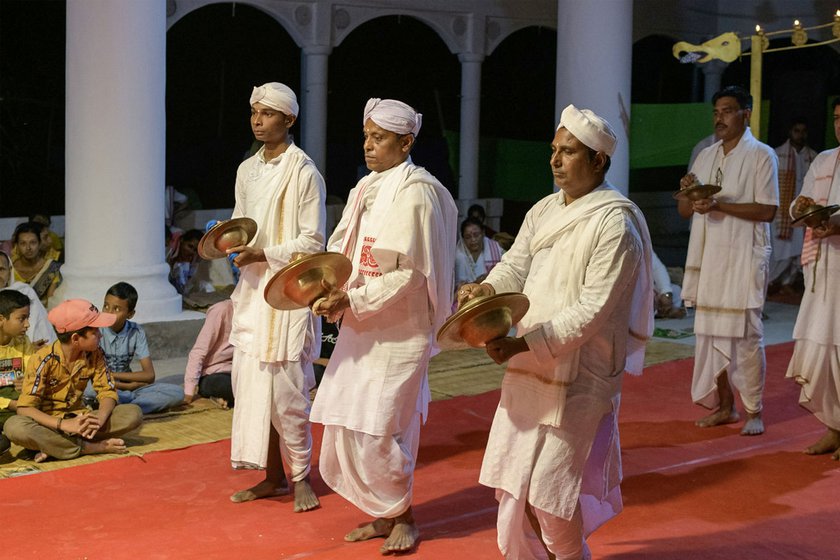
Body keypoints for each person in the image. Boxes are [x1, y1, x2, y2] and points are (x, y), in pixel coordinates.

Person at [458, 104, 653, 560]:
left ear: (598, 161)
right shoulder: (544, 209)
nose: (555, 160)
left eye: (568, 152)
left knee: (551, 494)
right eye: (553, 150)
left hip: (584, 374)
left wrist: (522, 344)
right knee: (517, 486)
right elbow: (515, 264)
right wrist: (485, 288)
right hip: (529, 367)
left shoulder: (615, 224)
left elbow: (592, 311)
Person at [310, 98, 458, 554]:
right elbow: (345, 250)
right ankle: (383, 512)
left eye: (378, 138)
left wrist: (351, 298)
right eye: (366, 137)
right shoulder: (366, 188)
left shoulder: (418, 192)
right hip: (361, 325)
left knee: (381, 428)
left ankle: (404, 518)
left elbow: (411, 273)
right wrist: (327, 287)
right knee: (345, 422)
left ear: (406, 142)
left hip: (401, 333)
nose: (368, 146)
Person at [225, 82, 325, 513]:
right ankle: (272, 477)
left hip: (288, 290)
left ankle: (301, 476)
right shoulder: (247, 170)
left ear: (289, 120)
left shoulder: (304, 172)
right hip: (252, 291)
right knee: (250, 388)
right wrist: (228, 245)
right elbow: (239, 222)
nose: (258, 120)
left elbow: (313, 239)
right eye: (253, 112)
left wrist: (265, 253)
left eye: (267, 114)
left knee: (288, 390)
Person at [678, 85, 779, 436]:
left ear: (746, 113)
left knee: (747, 336)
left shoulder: (762, 155)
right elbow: (684, 210)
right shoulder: (705, 155)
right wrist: (690, 190)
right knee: (710, 334)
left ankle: (754, 410)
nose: (720, 118)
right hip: (709, 259)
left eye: (728, 110)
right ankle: (725, 407)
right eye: (717, 112)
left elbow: (768, 210)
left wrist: (720, 205)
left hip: (743, 259)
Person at [3, 299, 143, 462]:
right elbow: (25, 409)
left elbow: (107, 391)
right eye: (95, 331)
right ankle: (89, 447)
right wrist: (63, 425)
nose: (100, 335)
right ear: (76, 338)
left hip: (82, 421)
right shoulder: (42, 359)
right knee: (14, 427)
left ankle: (54, 447)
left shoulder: (95, 353)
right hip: (49, 424)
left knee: (133, 413)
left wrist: (99, 419)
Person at [785, 98, 840, 460]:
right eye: (836, 117)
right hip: (822, 270)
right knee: (822, 353)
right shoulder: (822, 160)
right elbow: (797, 205)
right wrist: (806, 213)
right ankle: (834, 429)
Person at [83, 282, 183, 415]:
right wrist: (128, 385)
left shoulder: (136, 331)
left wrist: (118, 380)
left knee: (177, 392)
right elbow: (89, 374)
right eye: (106, 306)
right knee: (88, 390)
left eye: (117, 309)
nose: (109, 312)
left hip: (127, 389)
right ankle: (130, 406)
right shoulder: (95, 330)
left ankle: (119, 406)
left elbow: (149, 375)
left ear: (130, 314)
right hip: (103, 387)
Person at [769, 118, 817, 294]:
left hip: (803, 212)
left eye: (803, 131)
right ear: (790, 132)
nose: (800, 135)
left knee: (799, 250)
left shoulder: (814, 157)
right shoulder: (776, 154)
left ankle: (787, 283)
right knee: (781, 251)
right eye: (797, 131)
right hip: (781, 213)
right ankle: (770, 283)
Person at [0, 290, 36, 455]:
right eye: (21, 319)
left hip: (16, 405)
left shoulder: (23, 341)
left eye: (27, 318)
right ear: (1, 319)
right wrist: (12, 404)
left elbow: (32, 373)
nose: (27, 324)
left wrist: (28, 383)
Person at [183, 299, 235, 408]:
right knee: (238, 388)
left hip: (240, 371)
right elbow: (198, 351)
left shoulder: (259, 314)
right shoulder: (222, 310)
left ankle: (226, 400)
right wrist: (189, 390)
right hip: (213, 373)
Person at [0, 250, 55, 346]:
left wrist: (29, 347)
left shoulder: (24, 291)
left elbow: (39, 328)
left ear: (9, 270)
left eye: (1, 269)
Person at [11, 222, 62, 307]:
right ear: (17, 246)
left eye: (33, 242)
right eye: (23, 243)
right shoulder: (10, 268)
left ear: (39, 244)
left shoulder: (50, 268)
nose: (28, 248)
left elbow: (51, 302)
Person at [454, 216, 505, 289]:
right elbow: (458, 287)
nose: (473, 240)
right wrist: (477, 282)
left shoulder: (495, 249)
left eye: (476, 235)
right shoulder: (459, 256)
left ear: (483, 233)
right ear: (463, 238)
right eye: (468, 237)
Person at [651, 250, 685, 319]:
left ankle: (666, 310)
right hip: (634, 293)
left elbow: (658, 268)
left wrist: (666, 294)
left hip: (651, 289)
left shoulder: (643, 243)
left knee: (676, 290)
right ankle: (661, 313)